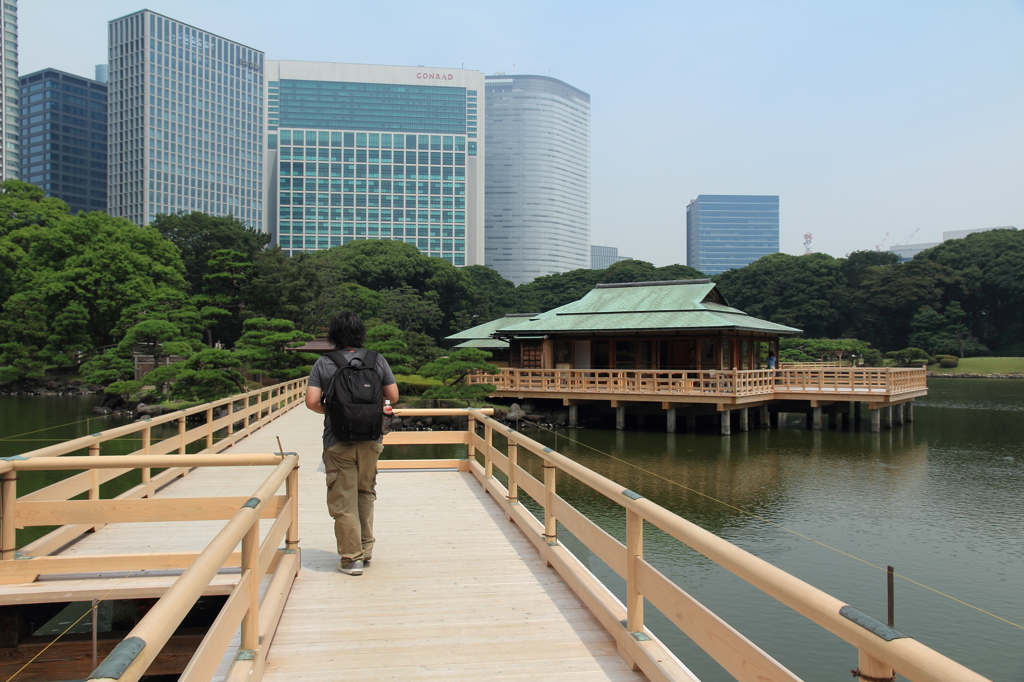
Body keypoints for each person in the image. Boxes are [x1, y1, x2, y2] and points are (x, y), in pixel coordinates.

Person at [304, 311, 399, 576]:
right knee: (365, 492)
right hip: (371, 439)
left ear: (333, 336)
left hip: (338, 441)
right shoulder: (376, 360)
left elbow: (312, 401)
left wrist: (336, 411)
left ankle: (351, 558)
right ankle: (366, 550)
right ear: (361, 333)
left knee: (343, 500)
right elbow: (393, 395)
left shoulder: (324, 363)